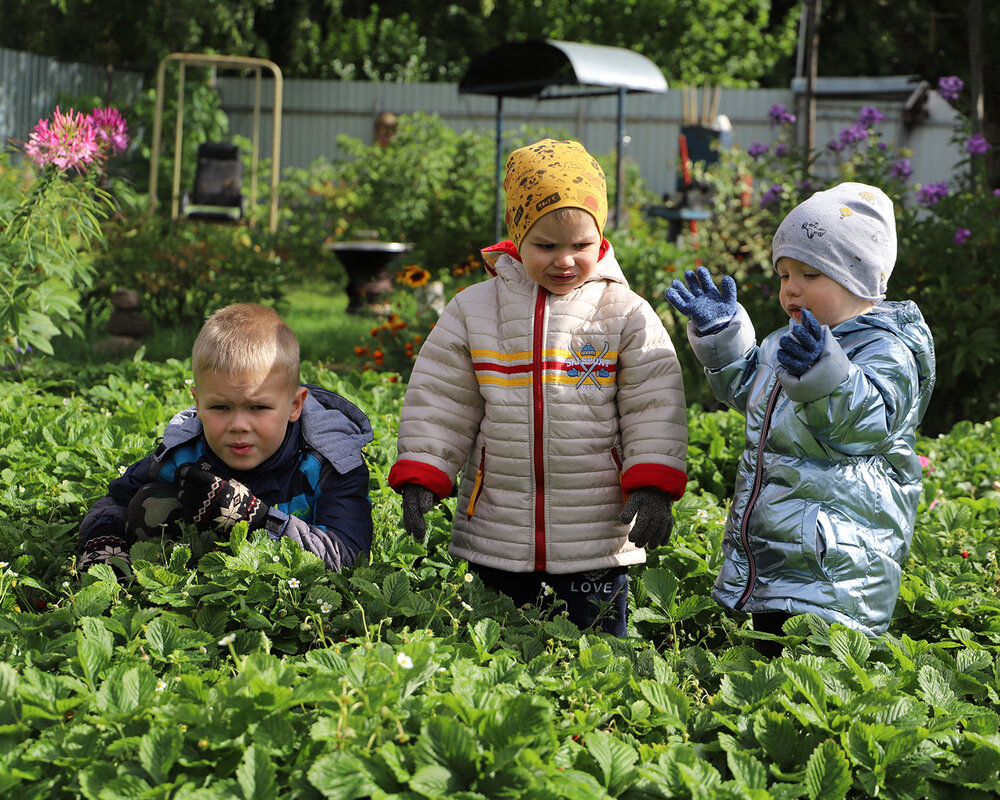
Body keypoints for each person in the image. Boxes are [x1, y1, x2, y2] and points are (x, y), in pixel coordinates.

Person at [388, 138, 688, 636]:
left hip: (596, 532)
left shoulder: (624, 312)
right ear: (516, 237)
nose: (565, 260)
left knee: (596, 661)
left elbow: (653, 403)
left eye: (580, 246)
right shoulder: (474, 309)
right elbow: (442, 399)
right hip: (497, 529)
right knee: (497, 649)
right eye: (545, 246)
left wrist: (654, 484)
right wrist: (424, 473)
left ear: (602, 239)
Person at [665, 181, 935, 655]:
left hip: (835, 567)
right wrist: (722, 334)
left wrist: (822, 372)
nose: (791, 287)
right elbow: (749, 389)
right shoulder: (785, 340)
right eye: (785, 274)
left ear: (859, 280)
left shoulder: (888, 350)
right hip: (775, 549)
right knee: (758, 673)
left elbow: (864, 421)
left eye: (810, 274)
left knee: (814, 676)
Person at [78, 304, 374, 573]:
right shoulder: (185, 452)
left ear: (294, 406)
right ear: (198, 404)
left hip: (289, 591)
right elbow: (114, 501)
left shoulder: (329, 461)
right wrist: (104, 541)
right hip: (204, 577)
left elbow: (347, 554)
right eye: (220, 407)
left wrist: (257, 520)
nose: (239, 425)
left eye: (258, 407)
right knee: (150, 501)